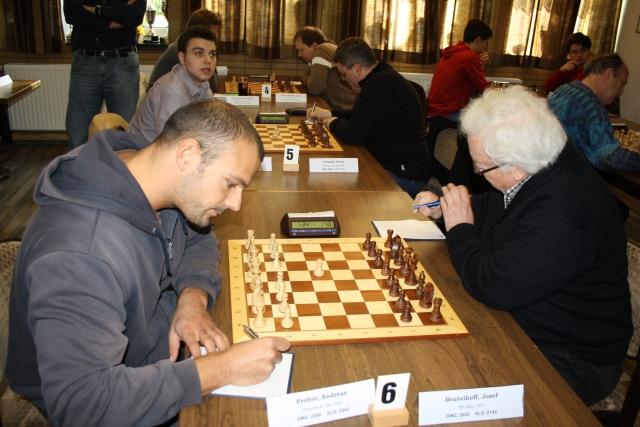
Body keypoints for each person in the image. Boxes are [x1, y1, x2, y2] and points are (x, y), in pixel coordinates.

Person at [7, 99, 290, 426]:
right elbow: (84, 406)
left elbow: (199, 236)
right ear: (187, 154)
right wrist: (221, 369)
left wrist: (192, 298)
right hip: (119, 397)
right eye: (231, 183)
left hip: (157, 346)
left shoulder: (148, 173)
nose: (236, 204)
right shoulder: (80, 256)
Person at [414, 85, 631, 406]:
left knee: (444, 377)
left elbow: (494, 286)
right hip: (529, 317)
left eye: (479, 167)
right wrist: (448, 208)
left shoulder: (563, 212)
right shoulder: (543, 160)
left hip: (573, 358)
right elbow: (501, 206)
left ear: (515, 167)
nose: (476, 173)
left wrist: (460, 229)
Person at [309, 37, 432, 198]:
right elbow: (362, 114)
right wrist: (331, 113)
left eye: (344, 74)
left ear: (357, 69)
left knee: (339, 190)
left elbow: (353, 135)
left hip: (406, 176)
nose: (344, 80)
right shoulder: (380, 76)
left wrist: (332, 123)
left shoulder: (380, 84)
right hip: (393, 164)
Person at [63, 0, 146, 148]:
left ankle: (119, 164)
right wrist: (112, 21)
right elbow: (72, 13)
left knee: (124, 131)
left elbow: (134, 16)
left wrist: (95, 9)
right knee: (78, 134)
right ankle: (81, 164)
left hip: (122, 61)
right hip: (85, 61)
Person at [426, 19, 492, 187]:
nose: (486, 47)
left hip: (434, 111)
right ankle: (468, 180)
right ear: (478, 40)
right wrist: (481, 64)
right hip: (449, 112)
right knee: (484, 128)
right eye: (486, 42)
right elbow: (483, 87)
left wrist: (480, 64)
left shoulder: (452, 52)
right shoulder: (469, 56)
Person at [548, 53, 638, 172]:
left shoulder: (563, 89)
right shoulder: (593, 109)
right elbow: (610, 158)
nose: (621, 92)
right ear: (608, 74)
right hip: (561, 175)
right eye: (622, 83)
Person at [129, 26, 217, 143]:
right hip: (144, 151)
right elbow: (171, 143)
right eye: (199, 53)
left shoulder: (202, 82)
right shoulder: (171, 91)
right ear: (182, 58)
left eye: (212, 54)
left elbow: (208, 124)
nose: (208, 60)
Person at [148, 8, 221, 90]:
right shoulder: (183, 49)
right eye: (211, 34)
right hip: (163, 93)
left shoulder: (188, 42)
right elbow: (211, 85)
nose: (215, 38)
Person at [293, 26, 358, 110]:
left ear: (314, 46)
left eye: (302, 50)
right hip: (347, 107)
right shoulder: (327, 48)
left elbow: (315, 88)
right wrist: (307, 78)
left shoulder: (322, 51)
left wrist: (305, 78)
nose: (299, 55)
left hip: (348, 109)